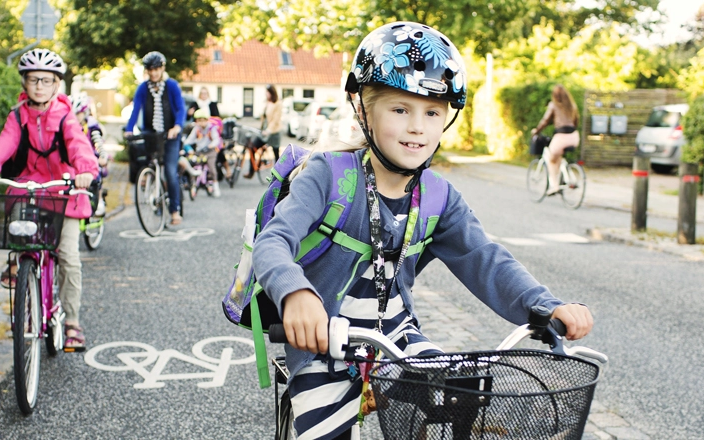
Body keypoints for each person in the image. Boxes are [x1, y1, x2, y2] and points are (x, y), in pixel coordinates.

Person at [251, 22, 594, 439]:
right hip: (325, 337)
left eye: (432, 112)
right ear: (364, 111)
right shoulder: (328, 176)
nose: (418, 127)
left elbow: (484, 258)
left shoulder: (438, 196)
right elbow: (273, 242)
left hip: (397, 336)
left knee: (457, 395)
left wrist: (545, 306)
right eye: (400, 110)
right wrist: (295, 292)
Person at [0, 48, 98, 351]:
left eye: (46, 80)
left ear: (57, 84)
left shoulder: (66, 116)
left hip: (63, 190)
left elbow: (78, 145)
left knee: (68, 256)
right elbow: (4, 143)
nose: (39, 86)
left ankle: (72, 323)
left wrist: (86, 170)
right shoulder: (17, 116)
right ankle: (20, 267)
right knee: (17, 230)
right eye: (33, 80)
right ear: (24, 84)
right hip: (30, 188)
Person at [125, 51, 187, 226]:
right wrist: (129, 129)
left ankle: (175, 210)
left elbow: (181, 109)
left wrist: (177, 127)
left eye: (156, 69)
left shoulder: (172, 86)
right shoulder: (143, 88)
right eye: (150, 70)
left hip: (171, 135)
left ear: (162, 68)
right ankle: (153, 189)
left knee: (169, 171)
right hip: (151, 135)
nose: (153, 73)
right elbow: (136, 110)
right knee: (149, 163)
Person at [530, 84, 580, 196]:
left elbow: (545, 121)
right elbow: (576, 120)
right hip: (574, 136)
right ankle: (567, 176)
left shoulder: (554, 105)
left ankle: (555, 186)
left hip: (561, 137)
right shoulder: (572, 105)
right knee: (558, 157)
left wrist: (536, 131)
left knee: (551, 160)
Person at [70, 94, 110, 216]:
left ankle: (99, 200)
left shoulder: (92, 127)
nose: (76, 118)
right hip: (75, 160)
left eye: (78, 114)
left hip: (92, 159)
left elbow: (98, 143)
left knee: (96, 176)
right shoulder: (68, 127)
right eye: (73, 114)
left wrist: (102, 157)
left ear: (85, 113)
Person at [182, 107, 222, 196]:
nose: (201, 122)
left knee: (211, 167)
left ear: (207, 120)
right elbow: (189, 140)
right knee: (193, 164)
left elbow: (216, 140)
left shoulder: (212, 128)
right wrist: (189, 149)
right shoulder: (196, 129)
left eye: (203, 120)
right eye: (199, 120)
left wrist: (210, 145)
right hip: (199, 151)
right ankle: (193, 184)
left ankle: (216, 186)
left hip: (210, 151)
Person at [245, 84, 282, 178]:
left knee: (276, 153)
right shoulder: (267, 103)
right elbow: (264, 118)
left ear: (272, 93)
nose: (266, 94)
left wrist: (269, 130)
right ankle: (251, 170)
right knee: (252, 147)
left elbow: (275, 119)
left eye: (267, 92)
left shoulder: (278, 103)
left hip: (273, 132)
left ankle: (280, 174)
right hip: (264, 131)